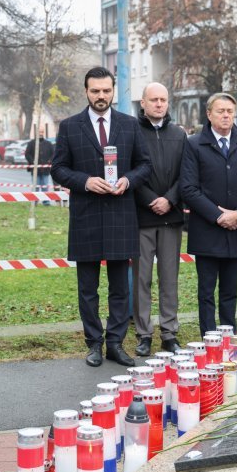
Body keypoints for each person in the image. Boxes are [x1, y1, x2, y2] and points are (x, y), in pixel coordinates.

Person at [50, 66, 151, 368]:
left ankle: (116, 344)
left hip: (121, 215)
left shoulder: (130, 125)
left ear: (113, 91)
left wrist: (128, 181)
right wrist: (85, 181)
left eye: (106, 91)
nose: (101, 96)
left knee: (120, 287)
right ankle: (93, 343)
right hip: (87, 217)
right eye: (95, 91)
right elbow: (58, 168)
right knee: (88, 288)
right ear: (86, 91)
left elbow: (145, 165)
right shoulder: (70, 126)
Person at [181, 93, 237, 336]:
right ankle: (209, 339)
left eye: (230, 111)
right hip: (206, 230)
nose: (226, 115)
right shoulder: (194, 144)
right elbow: (188, 189)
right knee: (206, 291)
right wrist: (218, 216)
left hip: (236, 230)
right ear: (209, 114)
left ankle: (229, 335)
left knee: (230, 290)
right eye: (220, 111)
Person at [132, 83, 186, 356]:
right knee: (141, 279)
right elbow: (128, 172)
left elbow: (186, 174)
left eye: (163, 99)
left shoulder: (179, 134)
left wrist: (170, 199)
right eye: (153, 99)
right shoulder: (132, 132)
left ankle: (169, 333)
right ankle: (143, 334)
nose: (159, 104)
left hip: (171, 217)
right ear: (143, 103)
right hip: (142, 216)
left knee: (169, 278)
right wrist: (150, 199)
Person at [25, 129, 55, 204]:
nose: (40, 134)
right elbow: (27, 154)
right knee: (36, 187)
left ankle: (46, 201)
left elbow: (53, 154)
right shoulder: (31, 143)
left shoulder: (48, 144)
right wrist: (32, 162)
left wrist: (49, 161)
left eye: (42, 132)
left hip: (45, 170)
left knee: (45, 186)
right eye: (39, 132)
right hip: (35, 170)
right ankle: (35, 201)